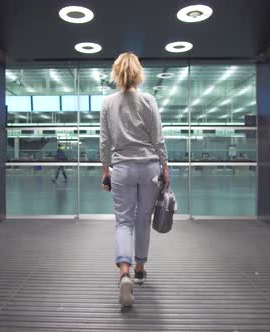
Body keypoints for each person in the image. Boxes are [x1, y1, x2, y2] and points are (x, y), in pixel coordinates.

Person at [99, 52, 169, 307]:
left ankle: (124, 273)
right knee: (142, 220)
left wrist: (105, 169)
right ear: (139, 73)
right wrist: (164, 165)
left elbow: (105, 140)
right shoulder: (149, 100)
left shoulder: (108, 102)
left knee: (123, 222)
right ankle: (140, 268)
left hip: (122, 168)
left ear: (116, 73)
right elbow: (158, 137)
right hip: (149, 167)